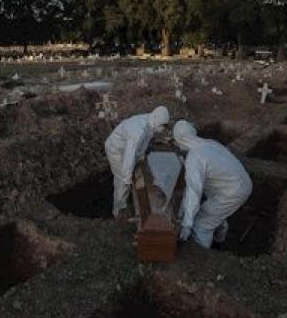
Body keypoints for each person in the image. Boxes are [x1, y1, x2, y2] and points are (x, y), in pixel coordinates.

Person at [173, 120, 252, 248]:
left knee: (202, 224)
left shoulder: (195, 157)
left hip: (232, 192)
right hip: (239, 183)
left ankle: (203, 256)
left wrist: (186, 224)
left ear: (179, 140)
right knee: (214, 215)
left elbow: (194, 193)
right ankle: (219, 242)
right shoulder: (210, 143)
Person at [105, 106, 171, 218]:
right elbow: (129, 155)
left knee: (129, 175)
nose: (162, 129)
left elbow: (143, 144)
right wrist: (127, 177)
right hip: (117, 150)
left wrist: (140, 157)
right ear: (156, 121)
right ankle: (119, 211)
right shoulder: (138, 130)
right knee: (122, 182)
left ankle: (126, 197)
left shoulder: (150, 123)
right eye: (162, 126)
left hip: (126, 148)